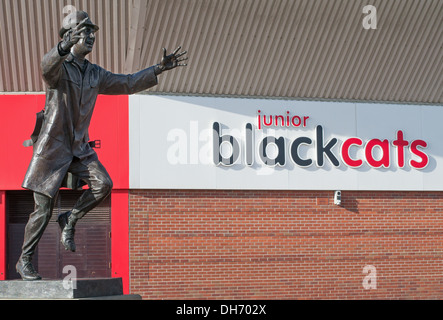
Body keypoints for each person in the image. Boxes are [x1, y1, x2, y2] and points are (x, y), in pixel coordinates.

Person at [16, 11, 188, 280]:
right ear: (70, 36)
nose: (92, 37)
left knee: (103, 183)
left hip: (78, 147)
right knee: (43, 209)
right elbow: (46, 66)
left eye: (92, 32)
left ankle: (70, 219)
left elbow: (128, 83)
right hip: (52, 148)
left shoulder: (95, 74)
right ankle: (24, 261)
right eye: (86, 32)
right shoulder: (59, 69)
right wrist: (61, 48)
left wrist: (158, 69)